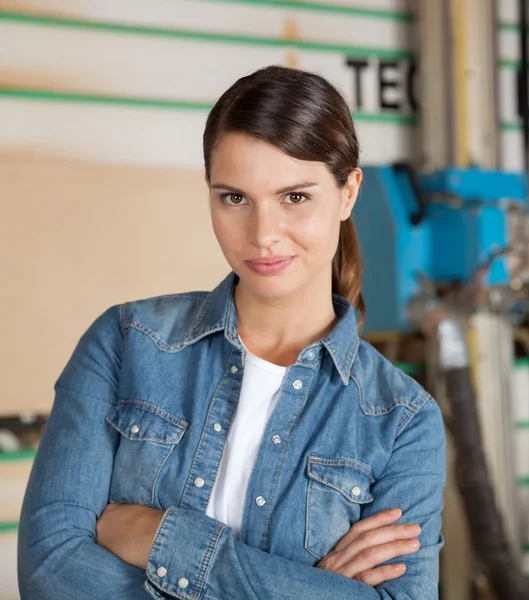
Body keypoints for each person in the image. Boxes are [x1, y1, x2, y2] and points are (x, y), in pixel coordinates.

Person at [18, 65, 446, 599]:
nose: (264, 234)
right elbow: (51, 571)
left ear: (348, 192)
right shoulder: (126, 343)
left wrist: (165, 540)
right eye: (235, 198)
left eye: (295, 197)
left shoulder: (401, 422)